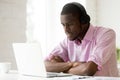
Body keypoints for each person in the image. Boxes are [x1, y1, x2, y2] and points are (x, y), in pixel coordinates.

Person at [45, 2, 119, 77]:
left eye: (70, 24)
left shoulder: (106, 34)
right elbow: (45, 65)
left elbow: (88, 70)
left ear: (83, 21)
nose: (66, 30)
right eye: (63, 25)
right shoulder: (68, 41)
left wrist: (61, 69)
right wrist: (71, 64)